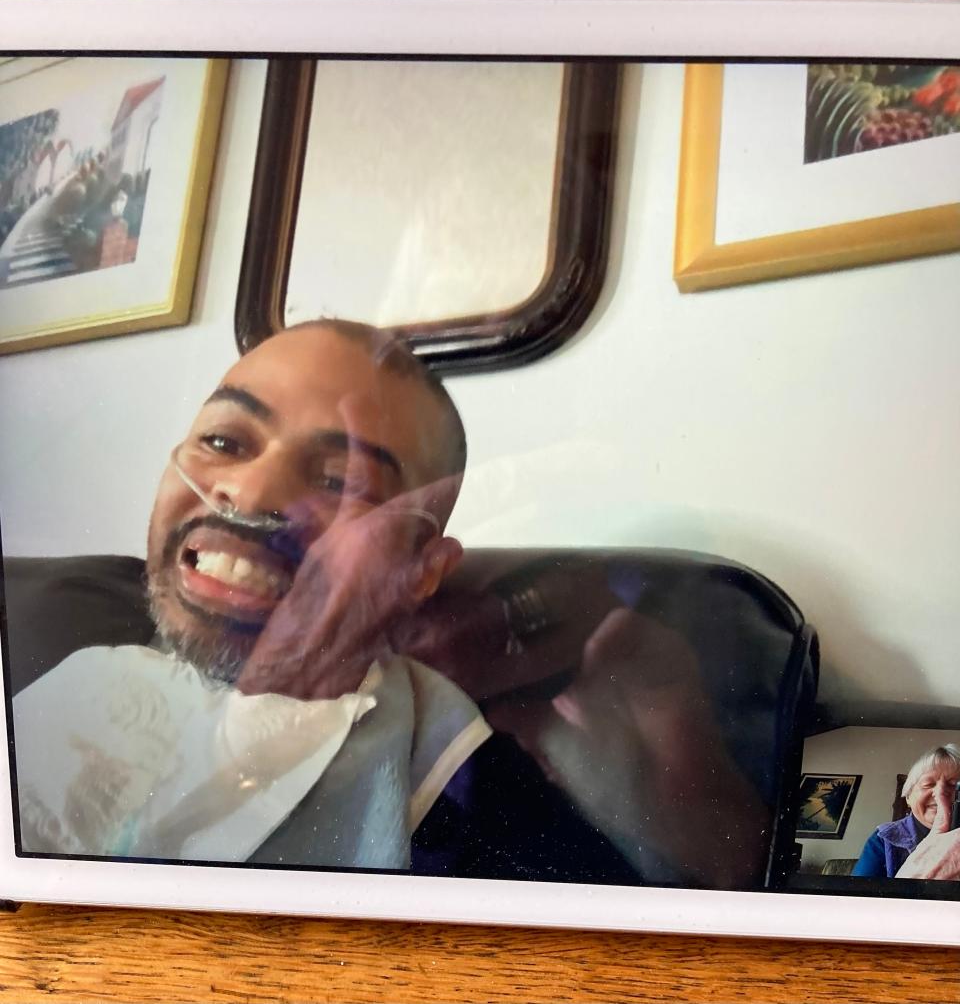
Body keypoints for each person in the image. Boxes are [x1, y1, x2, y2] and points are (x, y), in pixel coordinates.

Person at [6, 318, 767, 887]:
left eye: (339, 481)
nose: (250, 492)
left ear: (420, 572)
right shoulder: (85, 681)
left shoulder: (461, 789)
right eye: (226, 441)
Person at [852, 744, 960, 879]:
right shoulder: (883, 840)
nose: (941, 792)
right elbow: (859, 897)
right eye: (928, 784)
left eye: (953, 785)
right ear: (908, 797)